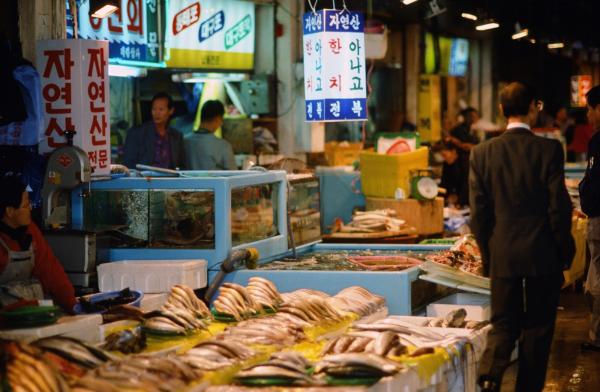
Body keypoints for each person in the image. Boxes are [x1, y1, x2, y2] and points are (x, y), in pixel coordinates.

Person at [470, 82, 575, 392]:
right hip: (542, 254)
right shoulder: (549, 149)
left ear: (501, 110)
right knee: (538, 329)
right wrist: (564, 255)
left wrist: (490, 259)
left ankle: (488, 379)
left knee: (503, 325)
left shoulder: (481, 153)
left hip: (503, 253)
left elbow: (478, 215)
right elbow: (559, 207)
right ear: (533, 108)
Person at [0, 175, 76, 313]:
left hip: (32, 314)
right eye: (25, 205)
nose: (30, 207)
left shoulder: (30, 230)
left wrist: (74, 307)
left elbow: (51, 272)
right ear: (10, 211)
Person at [579, 85, 600, 352]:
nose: (588, 115)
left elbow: (594, 183)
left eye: (590, 109)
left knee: (596, 284)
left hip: (599, 218)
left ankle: (598, 336)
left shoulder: (598, 141)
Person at [123, 92, 186, 170]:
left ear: (171, 111)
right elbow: (128, 164)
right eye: (154, 109)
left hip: (170, 180)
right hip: (144, 179)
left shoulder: (176, 136)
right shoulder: (137, 133)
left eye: (161, 109)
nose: (157, 113)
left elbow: (183, 165)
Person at [185, 100, 236, 170]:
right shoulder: (223, 146)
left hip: (186, 181)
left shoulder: (184, 141)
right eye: (222, 119)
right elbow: (233, 175)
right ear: (217, 119)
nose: (221, 123)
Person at [437, 142, 468, 207]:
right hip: (456, 198)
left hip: (467, 198)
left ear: (454, 151)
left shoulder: (465, 162)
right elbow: (444, 183)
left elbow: (466, 184)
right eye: (442, 156)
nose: (444, 158)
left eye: (444, 155)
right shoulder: (446, 164)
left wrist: (459, 200)